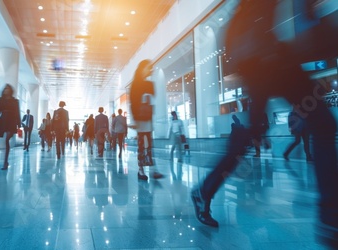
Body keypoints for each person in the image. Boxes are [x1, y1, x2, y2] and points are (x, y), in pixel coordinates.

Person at [191, 2, 338, 246]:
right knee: (321, 125)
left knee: (254, 134)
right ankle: (331, 218)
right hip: (265, 58)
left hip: (262, 57)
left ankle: (204, 191)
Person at [129, 59, 163, 181]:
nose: (150, 70)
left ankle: (153, 169)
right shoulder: (135, 84)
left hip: (148, 118)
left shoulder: (149, 84)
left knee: (149, 145)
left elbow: (153, 98)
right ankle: (141, 169)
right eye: (149, 67)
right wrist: (133, 120)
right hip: (140, 119)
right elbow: (132, 103)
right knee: (142, 145)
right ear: (142, 68)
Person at [0, 84, 21, 170]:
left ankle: (5, 161)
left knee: (7, 140)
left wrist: (19, 124)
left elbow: (17, 112)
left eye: (8, 88)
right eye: (5, 88)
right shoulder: (1, 100)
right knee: (4, 140)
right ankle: (5, 161)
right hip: (3, 121)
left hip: (11, 121)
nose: (6, 90)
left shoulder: (15, 101)